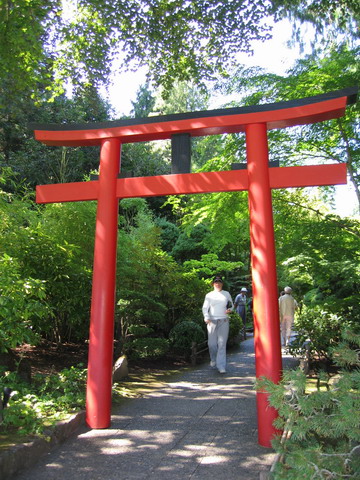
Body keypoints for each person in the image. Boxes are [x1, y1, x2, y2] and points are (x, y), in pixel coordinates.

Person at [202, 276, 233, 373]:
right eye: (216, 282)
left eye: (219, 282)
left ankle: (221, 366)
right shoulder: (209, 295)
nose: (218, 284)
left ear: (222, 284)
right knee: (211, 344)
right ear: (213, 284)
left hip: (223, 320)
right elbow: (205, 307)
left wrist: (230, 310)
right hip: (212, 321)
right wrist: (206, 317)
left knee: (222, 344)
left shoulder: (226, 294)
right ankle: (213, 359)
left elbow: (231, 305)